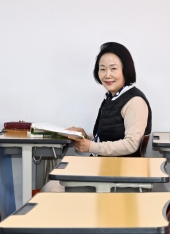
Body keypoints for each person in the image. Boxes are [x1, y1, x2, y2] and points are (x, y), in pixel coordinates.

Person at [42, 42, 152, 192]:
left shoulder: (135, 101)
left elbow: (132, 144)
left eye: (113, 69)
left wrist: (91, 146)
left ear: (126, 70)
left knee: (52, 189)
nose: (107, 75)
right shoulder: (111, 98)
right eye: (102, 69)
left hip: (120, 177)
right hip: (106, 169)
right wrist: (83, 136)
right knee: (52, 184)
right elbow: (110, 135)